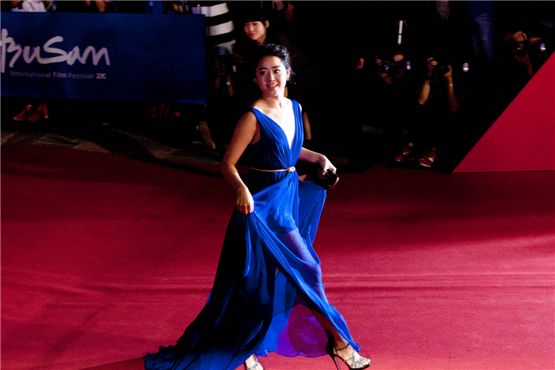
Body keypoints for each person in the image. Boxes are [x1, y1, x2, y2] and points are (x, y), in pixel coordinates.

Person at [144, 43, 371, 370]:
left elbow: (289, 152)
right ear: (254, 78)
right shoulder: (252, 117)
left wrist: (317, 157)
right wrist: (241, 190)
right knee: (302, 271)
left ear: (288, 72)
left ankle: (248, 346)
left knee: (260, 283)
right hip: (261, 209)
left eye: (276, 70)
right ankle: (339, 343)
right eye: (262, 73)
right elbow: (227, 164)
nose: (270, 78)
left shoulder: (294, 107)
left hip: (288, 197)